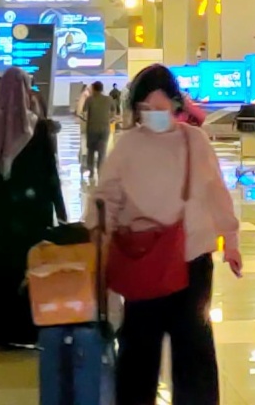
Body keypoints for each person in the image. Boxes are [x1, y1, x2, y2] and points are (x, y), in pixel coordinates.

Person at [87, 64, 241, 404]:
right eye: (145, 109)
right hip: (143, 261)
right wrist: (95, 242)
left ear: (175, 105)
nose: (154, 115)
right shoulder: (127, 146)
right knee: (139, 350)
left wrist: (230, 239)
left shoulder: (194, 140)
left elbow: (216, 190)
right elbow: (106, 198)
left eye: (160, 108)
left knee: (194, 347)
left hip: (192, 260)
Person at [0, 67, 67, 349]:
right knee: (31, 268)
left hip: (0, 213)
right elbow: (50, 173)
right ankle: (29, 331)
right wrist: (60, 210)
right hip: (33, 211)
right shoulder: (40, 128)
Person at [83, 81, 115, 178]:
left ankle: (91, 172)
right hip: (104, 129)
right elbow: (114, 112)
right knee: (102, 152)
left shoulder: (89, 99)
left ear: (94, 89)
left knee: (91, 151)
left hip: (92, 129)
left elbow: (84, 114)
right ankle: (100, 173)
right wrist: (110, 119)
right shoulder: (109, 99)